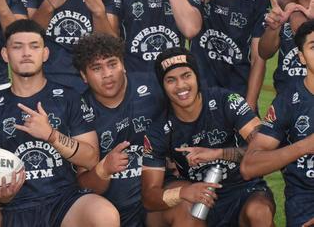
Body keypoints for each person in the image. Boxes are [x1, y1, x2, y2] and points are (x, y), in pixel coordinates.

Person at [0, 19, 120, 227]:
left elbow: (91, 158)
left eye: (34, 46)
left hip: (64, 202)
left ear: (45, 53)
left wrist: (51, 135)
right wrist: (4, 196)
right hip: (18, 207)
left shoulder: (68, 97)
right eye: (17, 47)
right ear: (5, 54)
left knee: (104, 214)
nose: (26, 53)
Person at [141, 47, 275, 226]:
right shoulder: (159, 128)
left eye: (186, 75)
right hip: (195, 193)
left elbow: (266, 150)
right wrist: (182, 192)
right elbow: (149, 197)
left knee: (260, 212)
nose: (181, 85)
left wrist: (219, 153)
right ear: (162, 86)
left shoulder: (226, 101)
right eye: (171, 80)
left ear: (197, 76)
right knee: (185, 211)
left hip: (240, 187)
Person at [73, 33, 165, 226]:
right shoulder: (79, 110)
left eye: (112, 64)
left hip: (156, 200)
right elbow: (83, 185)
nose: (107, 74)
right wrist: (103, 170)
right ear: (84, 76)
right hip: (111, 211)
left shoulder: (153, 86)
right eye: (96, 68)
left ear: (123, 64)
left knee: (187, 207)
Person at [241, 19, 314, 227]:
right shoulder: (288, 100)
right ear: (301, 57)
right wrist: (304, 147)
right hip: (305, 208)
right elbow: (249, 166)